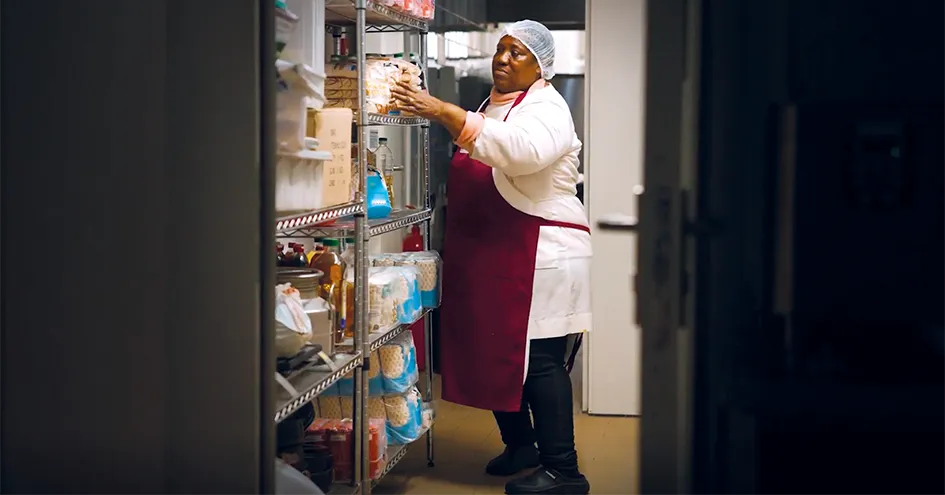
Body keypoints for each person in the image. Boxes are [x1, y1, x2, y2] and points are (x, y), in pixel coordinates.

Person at [392, 20, 592, 495]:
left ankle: (564, 472)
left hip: (540, 251)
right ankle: (521, 446)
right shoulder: (491, 104)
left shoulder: (548, 107)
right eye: (500, 49)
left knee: (539, 362)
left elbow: (521, 152)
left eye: (517, 53)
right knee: (496, 351)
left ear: (540, 67)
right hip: (498, 253)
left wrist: (444, 111)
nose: (502, 59)